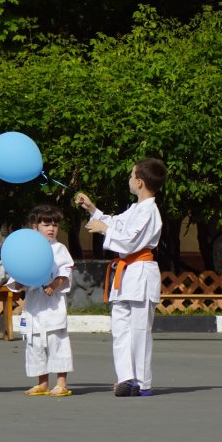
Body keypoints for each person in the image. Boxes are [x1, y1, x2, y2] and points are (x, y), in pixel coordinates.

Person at [75, 158, 166, 397]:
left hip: (141, 271)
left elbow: (130, 241)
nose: (128, 179)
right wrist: (93, 209)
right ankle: (126, 378)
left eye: (131, 175)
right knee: (121, 328)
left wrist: (104, 230)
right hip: (125, 274)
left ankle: (142, 382)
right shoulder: (136, 208)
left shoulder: (150, 211)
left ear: (139, 181)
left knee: (139, 330)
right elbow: (118, 223)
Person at [6, 205, 75, 397]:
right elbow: (17, 275)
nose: (51, 228)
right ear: (35, 227)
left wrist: (54, 284)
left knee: (57, 343)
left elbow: (65, 272)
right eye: (46, 224)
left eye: (55, 224)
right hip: (34, 306)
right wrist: (19, 282)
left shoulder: (59, 249)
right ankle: (42, 382)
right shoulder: (27, 249)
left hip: (53, 306)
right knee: (35, 344)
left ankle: (61, 382)